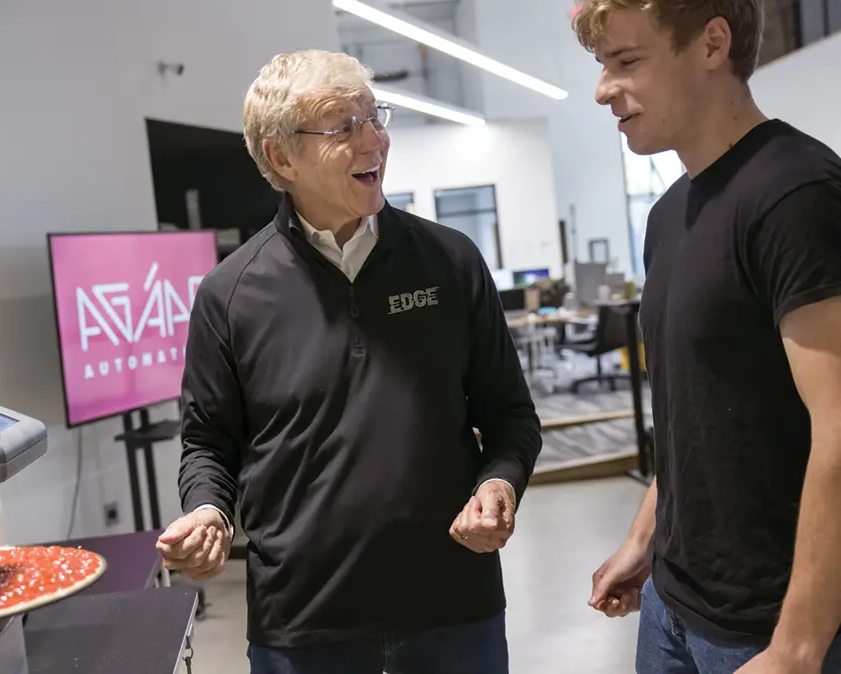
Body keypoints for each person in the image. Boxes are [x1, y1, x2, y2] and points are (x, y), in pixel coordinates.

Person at [154, 49, 542, 674]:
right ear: (282, 158)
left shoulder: (450, 261)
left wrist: (499, 483)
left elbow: (510, 415)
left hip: (454, 608)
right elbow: (207, 442)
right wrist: (208, 509)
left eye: (374, 117)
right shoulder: (229, 294)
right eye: (344, 127)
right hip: (304, 625)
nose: (375, 141)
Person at [571, 1, 841, 672]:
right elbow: (696, 408)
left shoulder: (795, 194)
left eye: (626, 61)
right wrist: (645, 536)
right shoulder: (667, 216)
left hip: (769, 625)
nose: (603, 89)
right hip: (672, 602)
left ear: (712, 44)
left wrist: (797, 646)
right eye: (602, 65)